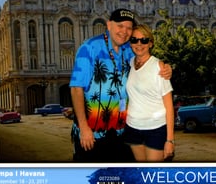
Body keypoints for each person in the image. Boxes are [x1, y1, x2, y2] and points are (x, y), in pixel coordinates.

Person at [69, 9, 172, 162]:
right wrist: (84, 129)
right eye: (120, 26)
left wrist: (165, 67)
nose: (124, 31)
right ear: (109, 25)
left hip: (121, 134)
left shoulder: (128, 50)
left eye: (129, 28)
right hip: (93, 134)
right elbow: (76, 89)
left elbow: (145, 60)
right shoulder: (89, 48)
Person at [124, 24, 175, 162]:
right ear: (130, 43)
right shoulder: (130, 63)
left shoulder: (158, 67)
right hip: (132, 128)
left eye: (144, 40)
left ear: (150, 43)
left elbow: (169, 107)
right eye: (134, 40)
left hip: (155, 129)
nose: (139, 44)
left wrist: (170, 140)